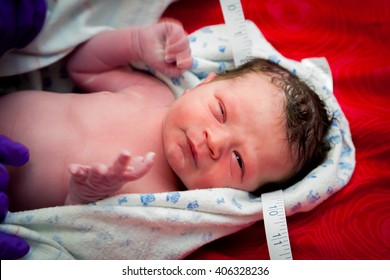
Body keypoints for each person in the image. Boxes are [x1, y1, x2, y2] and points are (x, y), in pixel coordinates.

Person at [0, 20, 331, 211]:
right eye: (220, 111)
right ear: (202, 85)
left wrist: (84, 196)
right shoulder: (151, 94)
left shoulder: (158, 203)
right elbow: (82, 66)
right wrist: (136, 43)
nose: (214, 141)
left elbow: (78, 226)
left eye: (240, 161)